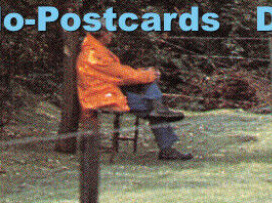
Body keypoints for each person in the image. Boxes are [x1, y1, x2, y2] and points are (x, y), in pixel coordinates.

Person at [76, 30, 193, 160]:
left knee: (150, 92)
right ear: (102, 34)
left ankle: (158, 107)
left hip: (105, 92)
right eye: (109, 33)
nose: (112, 35)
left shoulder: (94, 50)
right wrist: (148, 74)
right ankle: (166, 146)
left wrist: (145, 74)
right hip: (103, 97)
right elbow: (120, 74)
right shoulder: (94, 54)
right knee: (152, 105)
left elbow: (118, 74)